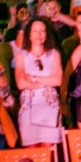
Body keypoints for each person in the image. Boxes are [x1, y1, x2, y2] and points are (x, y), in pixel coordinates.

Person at [15, 18, 64, 147]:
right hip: (29, 107)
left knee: (48, 151)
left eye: (42, 31)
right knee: (32, 150)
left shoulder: (54, 54)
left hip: (49, 106)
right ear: (29, 35)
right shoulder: (22, 56)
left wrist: (33, 78)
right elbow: (21, 83)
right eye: (35, 31)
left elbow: (58, 80)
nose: (39, 34)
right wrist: (46, 83)